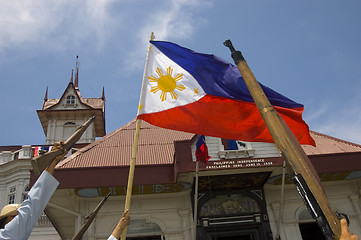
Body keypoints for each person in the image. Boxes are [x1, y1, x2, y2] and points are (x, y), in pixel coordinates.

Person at [0, 142, 67, 239]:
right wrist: (53, 162)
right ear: (9, 219)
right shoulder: (9, 234)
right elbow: (33, 203)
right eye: (17, 216)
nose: (18, 219)